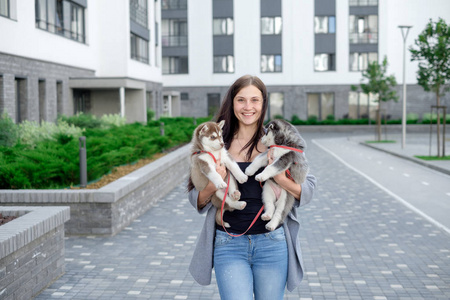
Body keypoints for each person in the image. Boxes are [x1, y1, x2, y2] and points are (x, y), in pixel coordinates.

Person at [188, 75, 317, 300]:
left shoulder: (279, 139)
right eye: (241, 100)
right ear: (232, 103)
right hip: (229, 244)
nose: (248, 107)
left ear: (263, 104)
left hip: (272, 244)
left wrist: (282, 179)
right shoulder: (216, 143)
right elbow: (196, 198)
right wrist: (212, 184)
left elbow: (308, 188)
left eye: (255, 100)